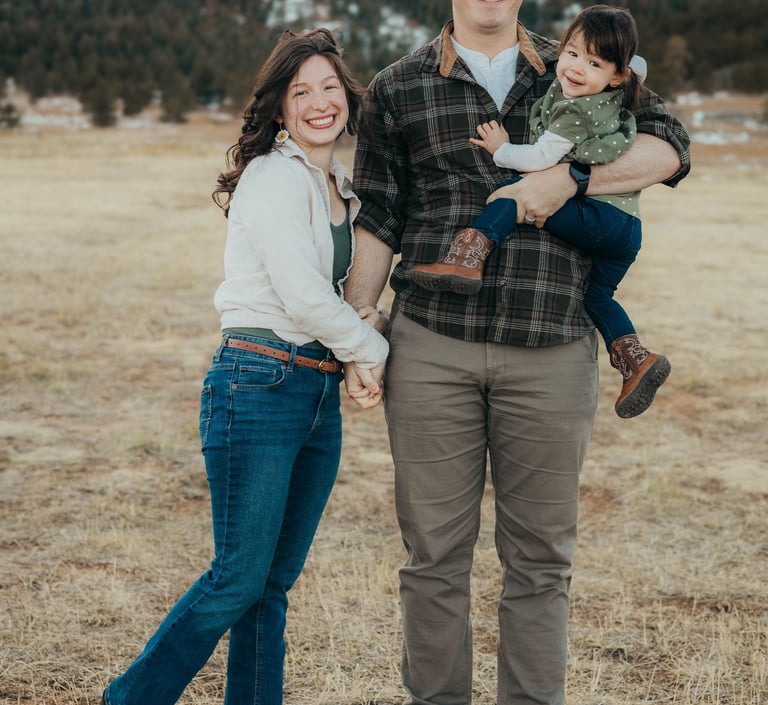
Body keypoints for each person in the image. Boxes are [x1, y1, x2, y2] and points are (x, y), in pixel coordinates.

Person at [343, 0, 690, 703]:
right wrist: (357, 330)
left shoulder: (581, 62)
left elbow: (670, 148)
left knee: (540, 561)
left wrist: (576, 178)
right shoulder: (397, 86)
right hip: (432, 344)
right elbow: (379, 213)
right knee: (434, 557)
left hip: (552, 343)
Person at [102, 28, 387, 705]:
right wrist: (370, 349)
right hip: (257, 382)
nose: (319, 102)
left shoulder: (340, 187)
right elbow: (301, 294)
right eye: (301, 92)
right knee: (237, 577)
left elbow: (346, 299)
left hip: (312, 393)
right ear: (280, 110)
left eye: (328, 88)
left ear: (347, 97)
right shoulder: (272, 177)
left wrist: (358, 341)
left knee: (271, 585)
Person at [408, 5, 670, 419]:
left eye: (594, 63)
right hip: (625, 229)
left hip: (601, 219)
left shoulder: (574, 110)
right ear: (562, 48)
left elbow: (537, 158)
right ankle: (635, 358)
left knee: (514, 196)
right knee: (598, 296)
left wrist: (501, 149)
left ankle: (468, 254)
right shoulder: (611, 93)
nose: (577, 67)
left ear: (618, 75)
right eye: (572, 54)